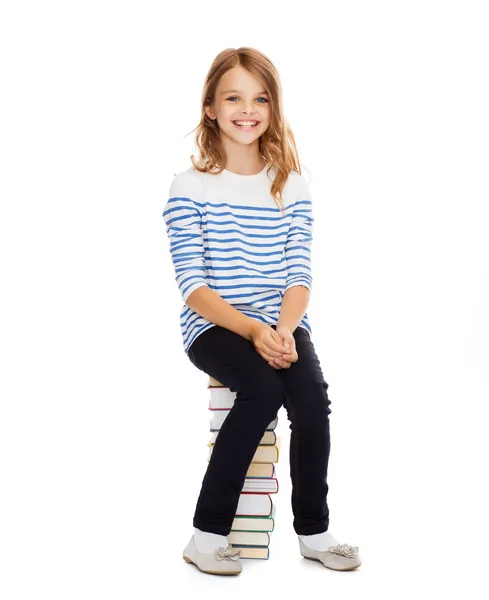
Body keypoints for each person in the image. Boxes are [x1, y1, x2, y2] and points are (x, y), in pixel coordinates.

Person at [162, 47, 361, 576]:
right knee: (263, 390)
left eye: (260, 98)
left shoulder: (290, 185)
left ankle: (315, 532)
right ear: (210, 107)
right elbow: (193, 287)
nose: (246, 109)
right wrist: (252, 329)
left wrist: (283, 331)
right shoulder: (191, 186)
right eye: (233, 97)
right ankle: (206, 535)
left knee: (312, 400)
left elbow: (299, 276)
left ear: (273, 109)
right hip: (215, 324)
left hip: (282, 326)